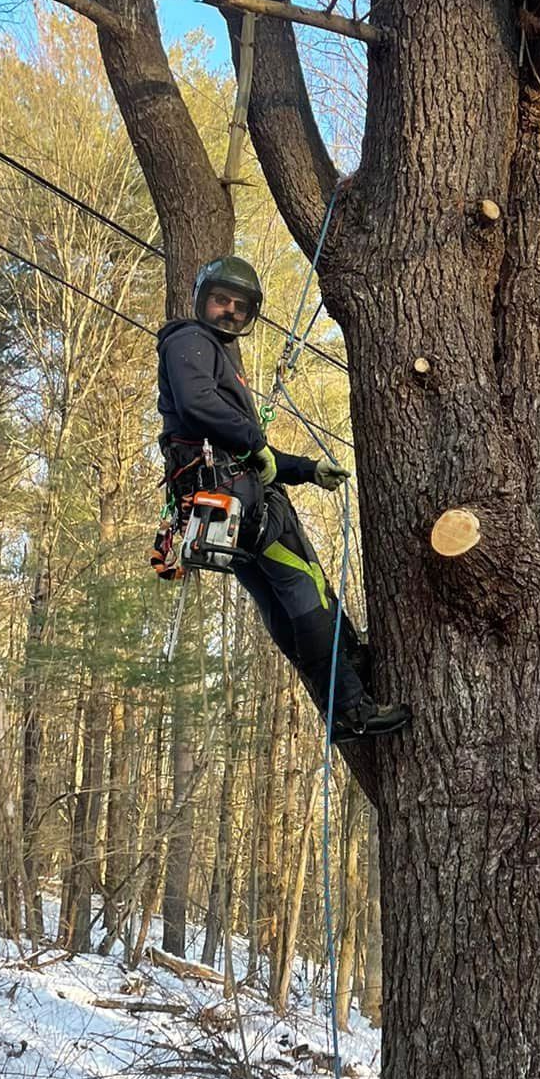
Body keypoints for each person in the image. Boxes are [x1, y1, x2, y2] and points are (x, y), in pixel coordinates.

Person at [157, 254, 410, 745]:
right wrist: (253, 442)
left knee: (281, 606)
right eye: (220, 300)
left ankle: (347, 675)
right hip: (245, 506)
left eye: (240, 307)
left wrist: (305, 469)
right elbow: (201, 407)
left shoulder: (213, 354)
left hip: (229, 508)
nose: (230, 311)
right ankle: (350, 705)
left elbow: (247, 447)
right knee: (307, 591)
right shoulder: (191, 341)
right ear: (201, 302)